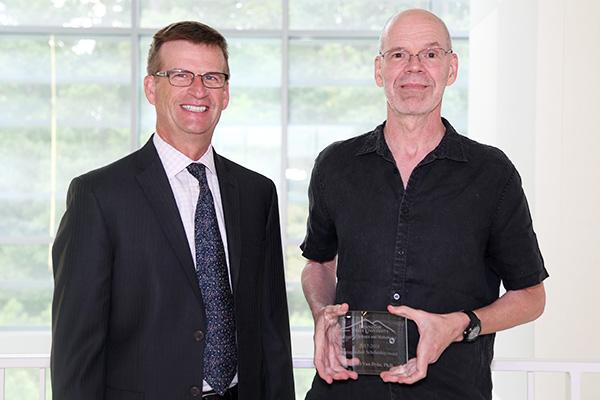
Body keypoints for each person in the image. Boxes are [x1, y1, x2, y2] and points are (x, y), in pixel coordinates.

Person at [300, 9, 548, 400]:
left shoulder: (492, 172)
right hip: (347, 391)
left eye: (430, 54)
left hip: (452, 390)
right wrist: (322, 316)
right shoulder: (336, 165)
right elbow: (318, 263)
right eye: (399, 54)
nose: (413, 68)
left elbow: (531, 297)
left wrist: (460, 325)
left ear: (451, 69)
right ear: (379, 70)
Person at [51, 21, 294, 400]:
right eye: (180, 75)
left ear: (226, 92)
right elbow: (76, 353)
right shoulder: (98, 196)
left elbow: (271, 332)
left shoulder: (257, 193)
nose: (198, 90)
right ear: (152, 87)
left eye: (212, 77)